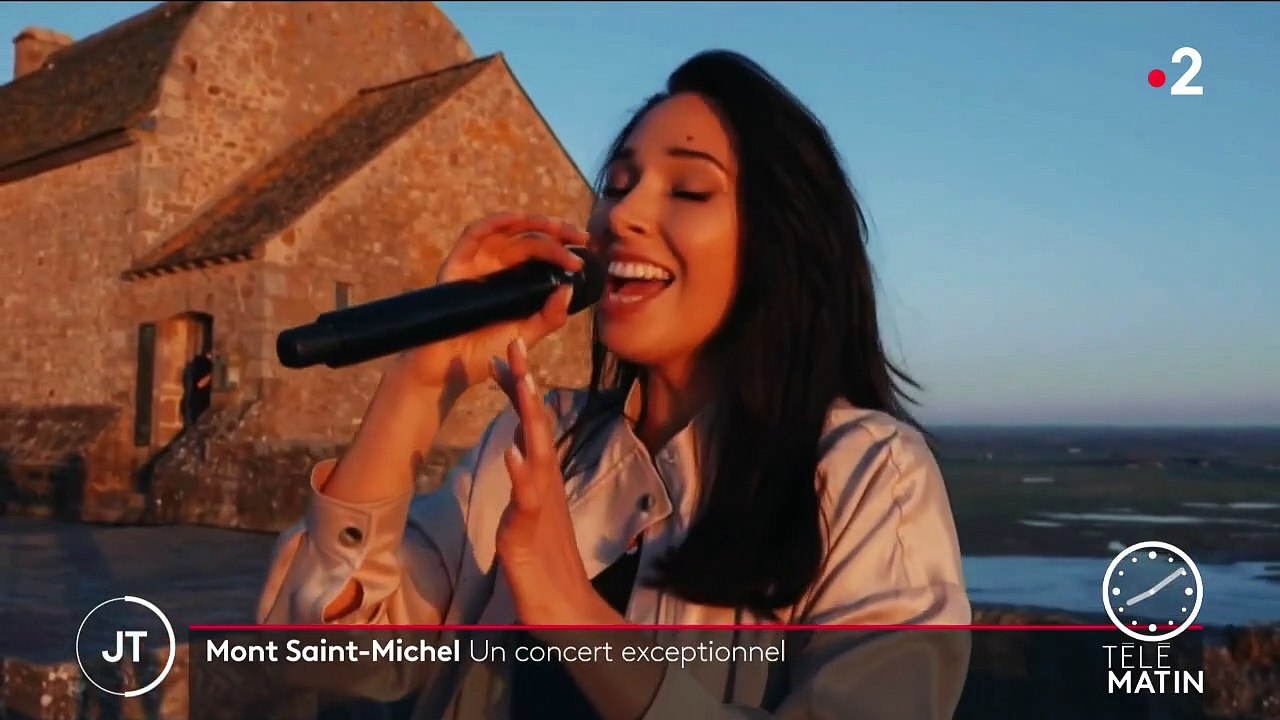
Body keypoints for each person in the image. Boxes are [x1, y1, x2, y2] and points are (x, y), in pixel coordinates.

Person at [258, 49, 971, 719]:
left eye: (688, 189)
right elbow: (319, 653)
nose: (621, 215)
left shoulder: (868, 475)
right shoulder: (539, 444)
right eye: (618, 185)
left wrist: (575, 615)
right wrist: (420, 381)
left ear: (778, 244)